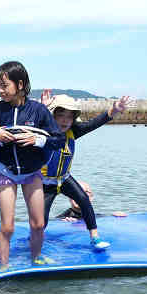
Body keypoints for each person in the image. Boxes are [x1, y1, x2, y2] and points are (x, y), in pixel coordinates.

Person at [0, 61, 65, 267]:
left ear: (20, 84)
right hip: (6, 172)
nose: (0, 90)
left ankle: (36, 258)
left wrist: (37, 140)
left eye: (4, 85)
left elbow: (59, 140)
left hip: (32, 172)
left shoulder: (38, 111)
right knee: (7, 227)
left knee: (38, 224)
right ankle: (3, 266)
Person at [39, 91, 135, 250]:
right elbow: (29, 126)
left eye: (69, 117)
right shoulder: (43, 132)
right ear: (52, 116)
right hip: (44, 182)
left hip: (64, 178)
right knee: (41, 219)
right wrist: (42, 109)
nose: (65, 120)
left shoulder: (73, 132)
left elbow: (95, 123)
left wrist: (115, 110)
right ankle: (36, 239)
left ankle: (95, 237)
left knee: (84, 200)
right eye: (61, 115)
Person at [55, 180, 128, 222]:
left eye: (85, 193)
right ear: (69, 197)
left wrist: (112, 215)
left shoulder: (95, 215)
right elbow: (52, 221)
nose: (79, 196)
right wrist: (62, 221)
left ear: (91, 197)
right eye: (75, 193)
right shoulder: (64, 217)